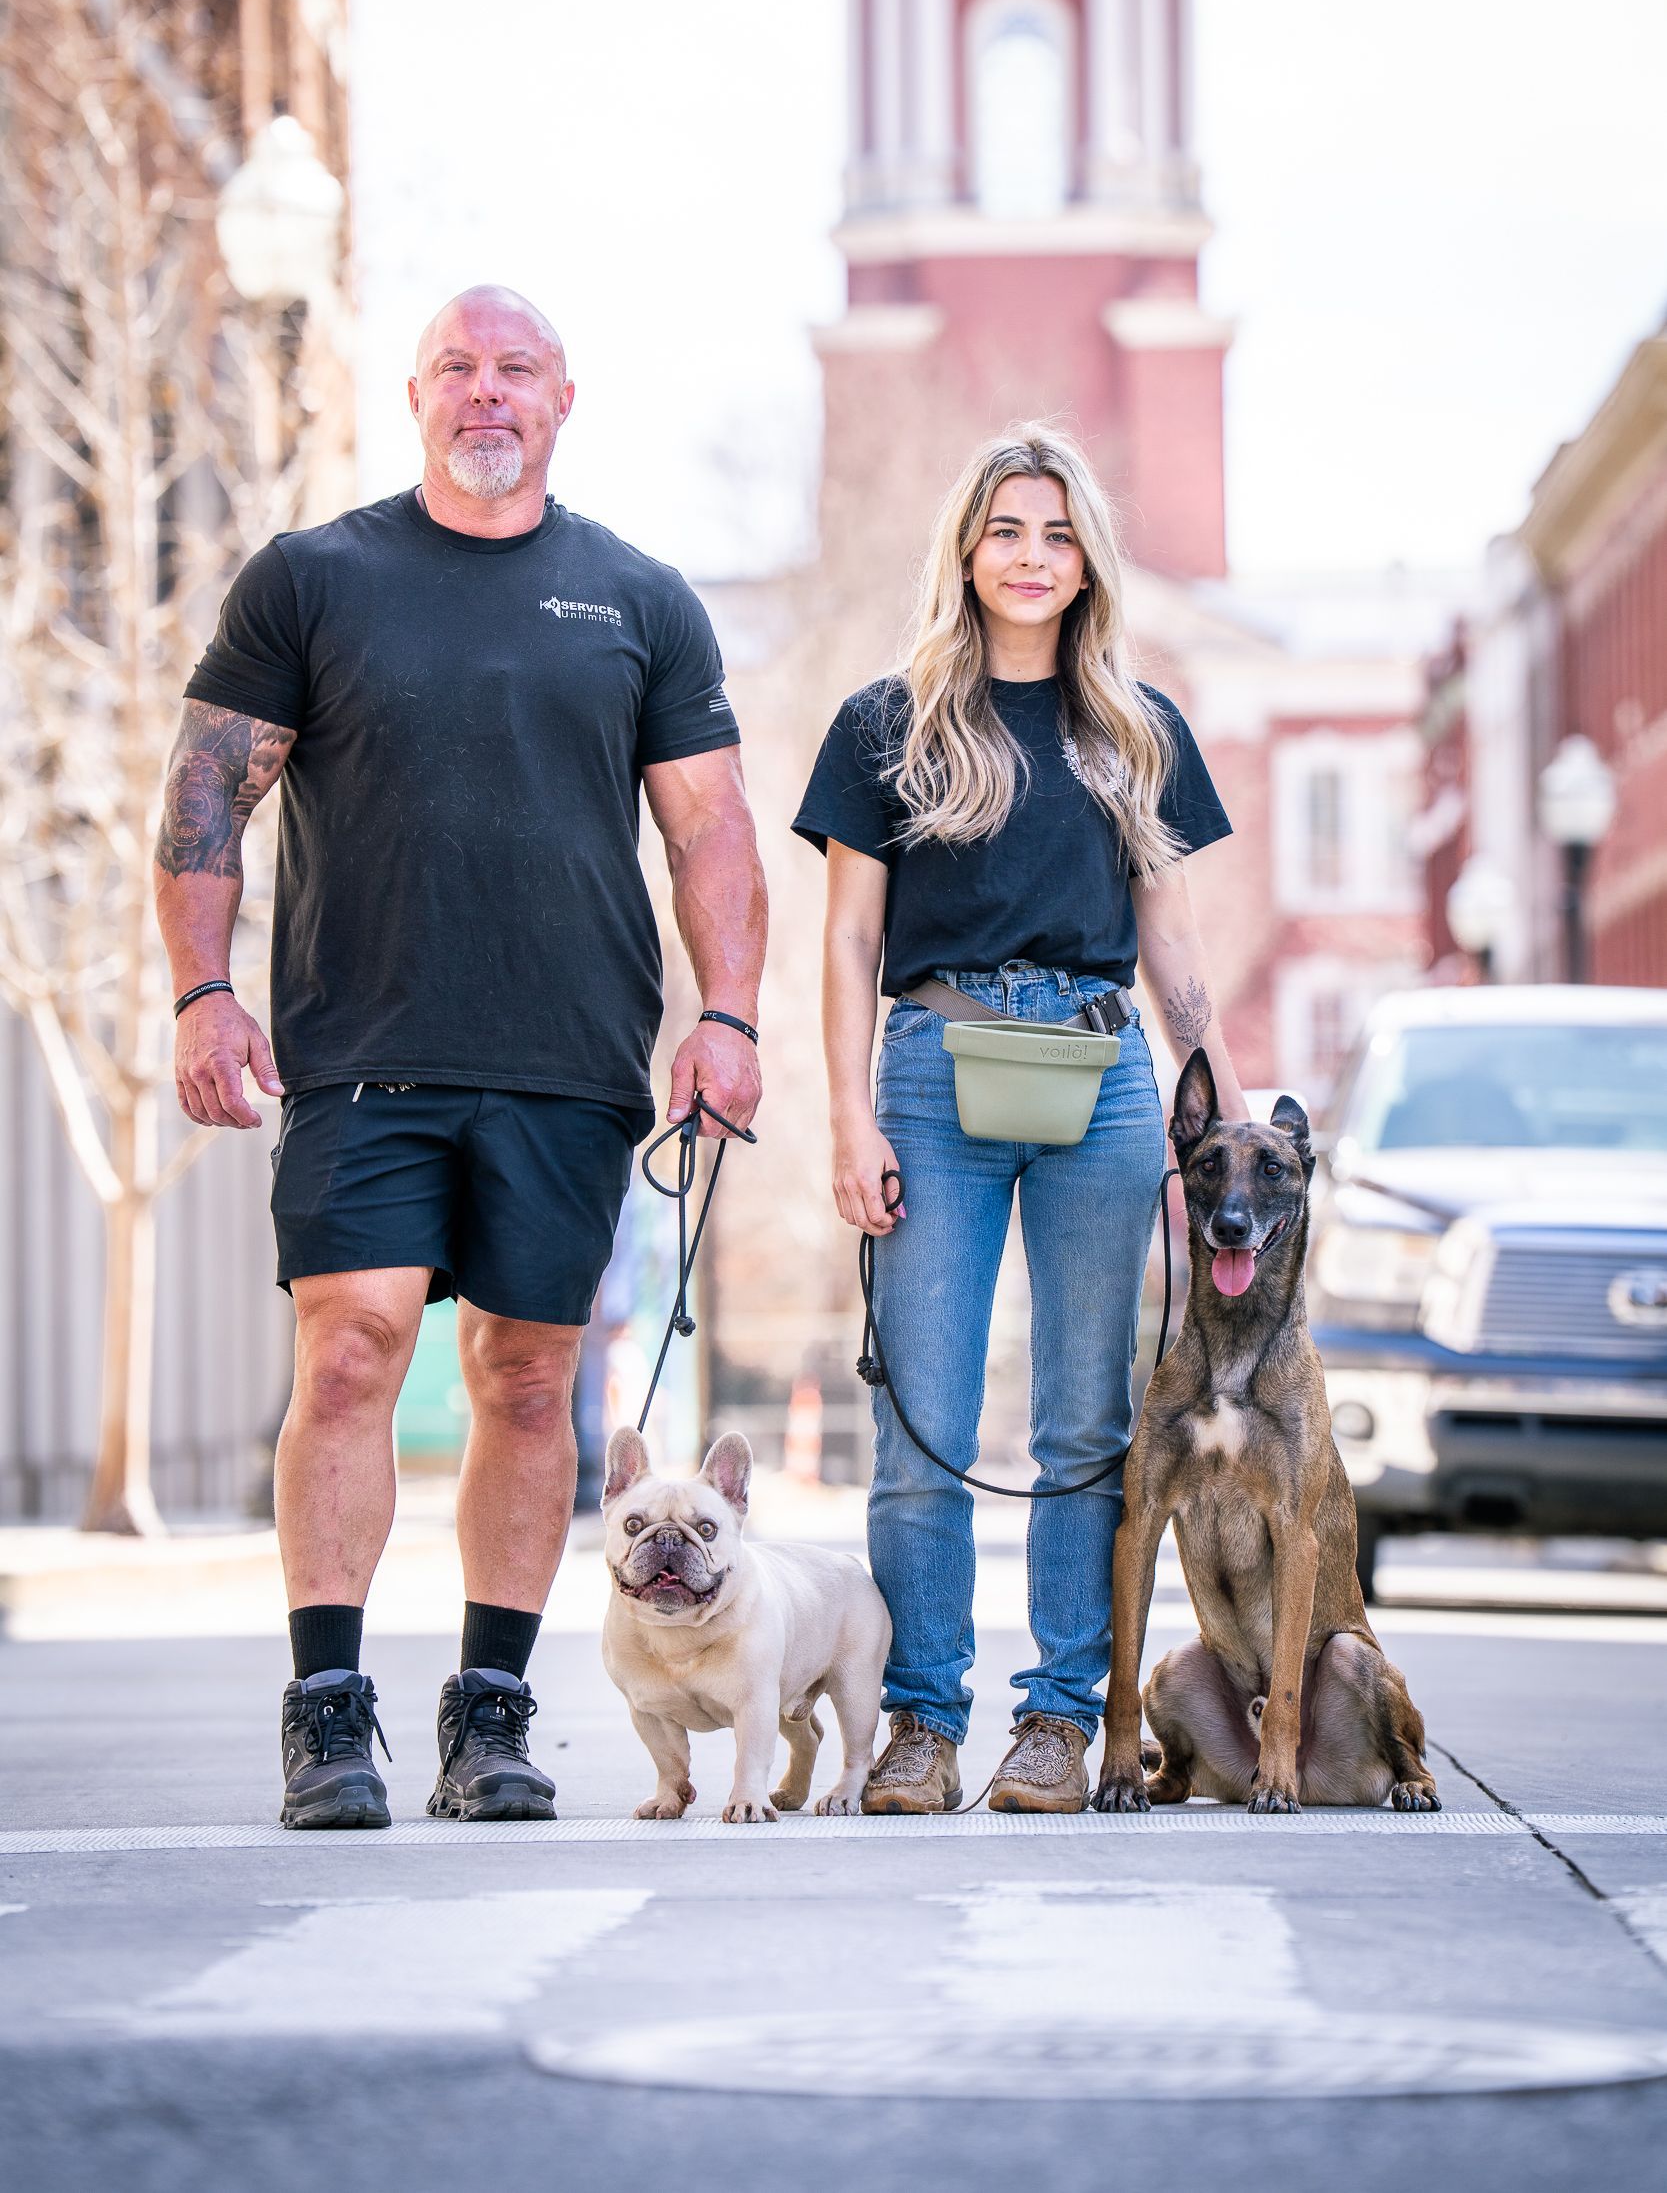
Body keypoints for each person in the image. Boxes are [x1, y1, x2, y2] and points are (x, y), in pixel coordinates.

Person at [155, 286, 765, 1830]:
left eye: (516, 373)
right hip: (359, 1052)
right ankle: (326, 1712)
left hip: (569, 1061)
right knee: (351, 1350)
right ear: (413, 397)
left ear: (564, 399)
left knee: (527, 1374)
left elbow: (710, 829)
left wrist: (731, 1016)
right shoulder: (313, 579)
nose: (486, 396)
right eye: (457, 372)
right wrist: (199, 995)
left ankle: (493, 1713)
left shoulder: (640, 598)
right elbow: (207, 800)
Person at [793, 424, 1246, 1816]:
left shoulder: (1137, 730)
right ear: (967, 551)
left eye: (1056, 533)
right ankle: (923, 1721)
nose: (1032, 557)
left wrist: (1212, 1116)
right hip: (933, 1070)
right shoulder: (891, 723)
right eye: (1007, 531)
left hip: (1102, 1078)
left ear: (1086, 556)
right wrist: (848, 1120)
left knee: (1085, 1423)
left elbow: (1172, 949)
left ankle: (1057, 1717)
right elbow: (849, 944)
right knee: (923, 1419)